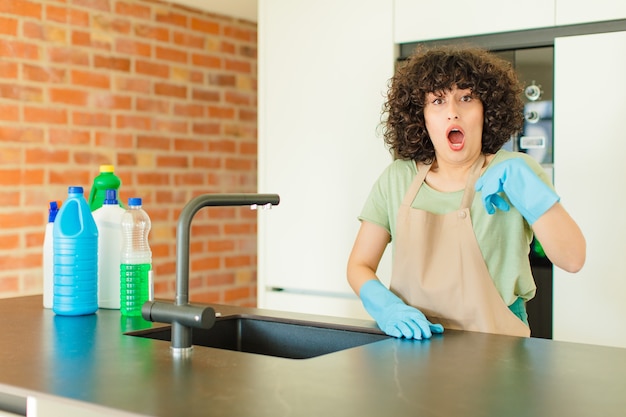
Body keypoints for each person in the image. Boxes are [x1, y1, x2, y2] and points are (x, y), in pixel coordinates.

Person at [347, 46, 586, 340]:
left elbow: (573, 259)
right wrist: (386, 308)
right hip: (414, 346)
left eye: (466, 98)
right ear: (420, 116)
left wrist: (529, 190)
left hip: (498, 350)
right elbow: (359, 265)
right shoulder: (397, 179)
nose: (452, 113)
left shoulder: (515, 171)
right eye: (437, 100)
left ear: (487, 110)